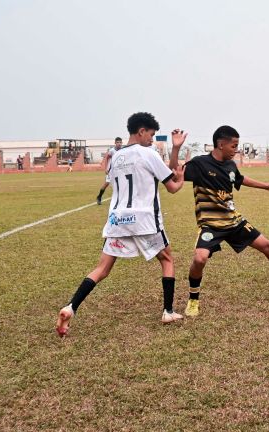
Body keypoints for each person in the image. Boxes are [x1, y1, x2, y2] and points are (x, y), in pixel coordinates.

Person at [55, 112, 186, 337]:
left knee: (102, 268)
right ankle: (168, 311)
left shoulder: (115, 157)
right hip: (145, 220)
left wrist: (174, 149)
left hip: (117, 220)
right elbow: (173, 186)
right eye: (151, 135)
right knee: (167, 259)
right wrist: (181, 177)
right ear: (141, 131)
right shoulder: (149, 153)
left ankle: (71, 307)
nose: (152, 140)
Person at [169, 125, 269, 317]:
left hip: (234, 221)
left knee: (268, 246)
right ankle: (193, 299)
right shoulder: (200, 164)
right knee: (199, 259)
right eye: (234, 145)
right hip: (211, 224)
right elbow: (174, 170)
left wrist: (266, 186)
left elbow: (240, 179)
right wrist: (175, 148)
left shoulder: (231, 165)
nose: (236, 149)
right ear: (220, 144)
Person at [96, 137, 123, 205]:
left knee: (120, 184)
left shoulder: (122, 150)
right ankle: (99, 196)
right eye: (118, 142)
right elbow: (106, 158)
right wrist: (106, 168)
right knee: (106, 184)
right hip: (110, 171)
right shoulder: (112, 151)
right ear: (115, 143)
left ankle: (119, 200)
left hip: (118, 171)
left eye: (120, 142)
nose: (119, 144)